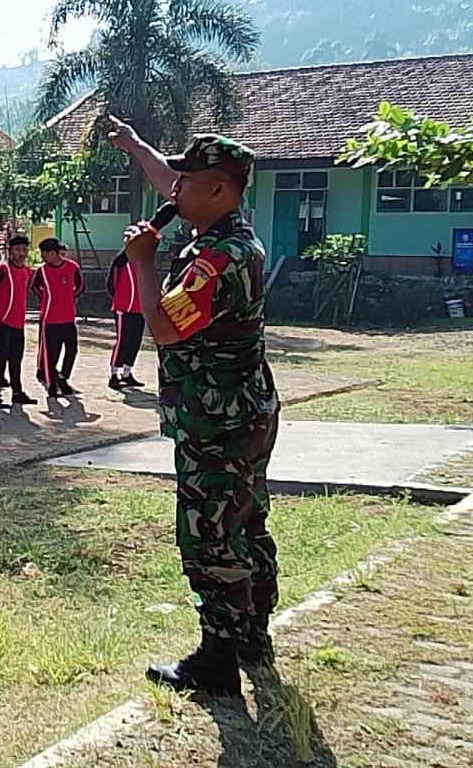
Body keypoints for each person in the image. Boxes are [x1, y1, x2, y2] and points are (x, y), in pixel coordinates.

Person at [109, 121, 281, 694]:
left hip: (217, 418)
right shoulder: (229, 235)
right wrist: (135, 146)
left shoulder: (216, 262)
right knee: (247, 519)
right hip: (247, 407)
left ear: (218, 191)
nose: (173, 190)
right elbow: (173, 180)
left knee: (209, 532)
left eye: (187, 182)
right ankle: (252, 636)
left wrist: (143, 262)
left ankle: (217, 661)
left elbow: (163, 328)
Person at [0, 235, 38, 409]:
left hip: (18, 322)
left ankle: (17, 391)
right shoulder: (2, 270)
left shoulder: (26, 271)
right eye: (17, 250)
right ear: (10, 251)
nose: (21, 253)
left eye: (24, 250)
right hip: (2, 322)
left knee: (16, 358)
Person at [31, 238, 85, 397]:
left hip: (68, 318)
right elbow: (34, 286)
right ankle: (51, 384)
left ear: (52, 253)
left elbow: (80, 286)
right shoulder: (42, 270)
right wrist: (46, 297)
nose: (42, 256)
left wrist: (69, 296)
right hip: (50, 318)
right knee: (51, 354)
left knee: (72, 350)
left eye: (44, 253)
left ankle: (63, 377)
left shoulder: (71, 267)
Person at [108, 252, 148, 389]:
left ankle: (127, 373)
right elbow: (112, 284)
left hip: (140, 308)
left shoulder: (145, 262)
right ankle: (113, 374)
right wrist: (120, 299)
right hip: (123, 308)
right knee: (123, 340)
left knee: (135, 340)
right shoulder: (121, 262)